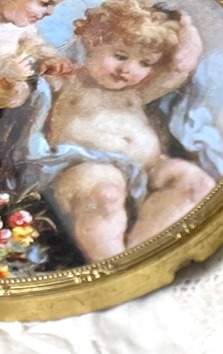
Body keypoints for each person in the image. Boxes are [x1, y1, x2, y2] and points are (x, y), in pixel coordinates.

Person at [40, 0, 213, 260]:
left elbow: (181, 65)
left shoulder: (137, 90)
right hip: (86, 169)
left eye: (145, 62)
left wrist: (186, 24)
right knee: (106, 197)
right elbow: (30, 75)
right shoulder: (67, 79)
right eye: (120, 56)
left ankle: (140, 255)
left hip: (147, 168)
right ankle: (110, 262)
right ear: (93, 41)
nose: (128, 69)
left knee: (197, 184)